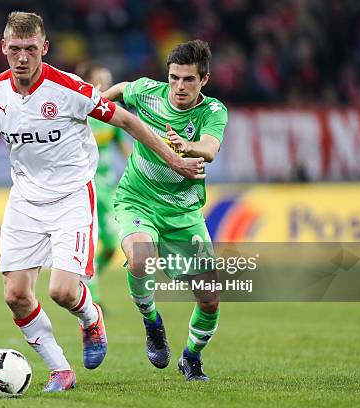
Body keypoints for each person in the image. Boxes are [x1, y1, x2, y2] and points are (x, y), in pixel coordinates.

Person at [0, 12, 205, 392]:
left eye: (30, 49)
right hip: (25, 200)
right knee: (15, 295)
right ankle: (60, 371)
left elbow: (128, 122)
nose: (22, 58)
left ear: (44, 48)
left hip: (71, 197)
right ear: (3, 48)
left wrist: (175, 160)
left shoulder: (69, 89)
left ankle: (90, 318)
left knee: (62, 291)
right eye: (14, 49)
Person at [102, 39, 228, 381]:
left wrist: (187, 146)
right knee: (141, 257)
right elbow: (120, 90)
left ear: (204, 80)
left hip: (183, 212)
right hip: (137, 198)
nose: (179, 86)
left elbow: (211, 149)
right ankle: (151, 321)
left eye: (188, 79)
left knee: (211, 298)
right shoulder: (148, 92)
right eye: (174, 77)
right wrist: (94, 108)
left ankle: (191, 357)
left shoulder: (212, 112)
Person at [75, 62, 131, 308]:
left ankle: (87, 281)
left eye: (108, 81)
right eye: (99, 81)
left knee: (110, 244)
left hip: (108, 188)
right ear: (86, 83)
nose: (105, 86)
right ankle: (93, 298)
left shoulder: (112, 112)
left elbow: (125, 149)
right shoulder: (78, 113)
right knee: (90, 242)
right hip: (82, 187)